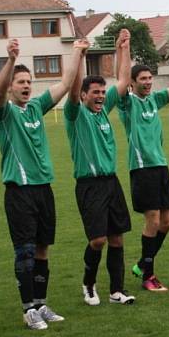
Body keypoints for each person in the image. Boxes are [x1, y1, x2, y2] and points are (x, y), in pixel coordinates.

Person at [0, 38, 88, 329]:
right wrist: (9, 61)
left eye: (28, 81)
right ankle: (28, 309)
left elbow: (67, 82)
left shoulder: (36, 107)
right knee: (24, 251)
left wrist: (76, 51)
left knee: (43, 248)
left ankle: (41, 304)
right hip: (19, 191)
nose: (25, 86)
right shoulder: (4, 113)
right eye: (20, 82)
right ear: (11, 86)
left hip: (43, 188)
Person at [65, 29, 136, 306]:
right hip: (89, 185)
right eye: (95, 92)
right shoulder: (75, 115)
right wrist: (79, 55)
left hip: (111, 183)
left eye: (102, 92)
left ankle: (117, 291)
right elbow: (71, 90)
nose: (100, 96)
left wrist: (123, 48)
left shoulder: (105, 111)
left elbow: (124, 79)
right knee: (98, 241)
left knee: (117, 238)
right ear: (84, 95)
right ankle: (88, 284)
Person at [119, 44, 169, 292]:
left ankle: (141, 264)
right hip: (141, 168)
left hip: (161, 166)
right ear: (133, 82)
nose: (148, 82)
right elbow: (122, 78)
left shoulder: (154, 100)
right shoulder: (128, 103)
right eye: (143, 79)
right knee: (153, 219)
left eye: (150, 78)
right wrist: (125, 50)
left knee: (167, 222)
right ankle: (149, 275)